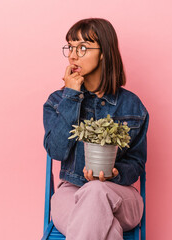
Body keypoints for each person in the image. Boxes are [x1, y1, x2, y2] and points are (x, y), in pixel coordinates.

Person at [42, 18, 149, 240]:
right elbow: (57, 151)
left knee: (96, 190)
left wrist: (117, 174)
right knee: (104, 227)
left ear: (104, 53)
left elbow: (137, 163)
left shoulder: (132, 105)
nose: (72, 55)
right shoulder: (56, 101)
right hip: (71, 191)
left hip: (120, 195)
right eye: (70, 47)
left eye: (82, 48)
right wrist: (71, 97)